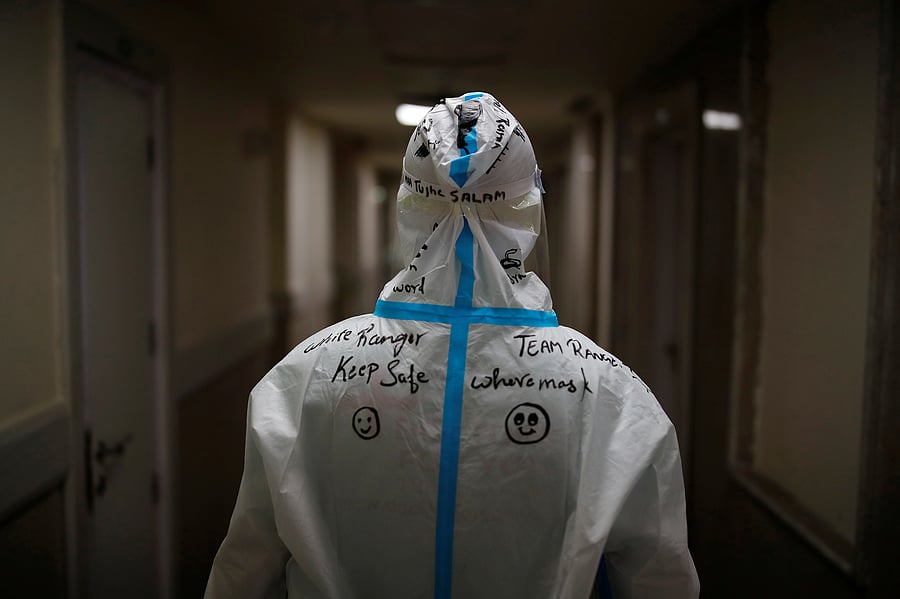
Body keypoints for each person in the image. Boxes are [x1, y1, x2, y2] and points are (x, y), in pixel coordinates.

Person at [205, 92, 699, 599]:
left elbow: (246, 567)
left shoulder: (305, 374)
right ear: (527, 209)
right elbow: (659, 577)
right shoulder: (611, 392)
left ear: (409, 207)